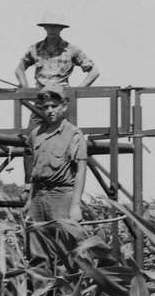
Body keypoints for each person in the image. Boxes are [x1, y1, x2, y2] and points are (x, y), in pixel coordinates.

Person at [25, 83, 87, 222]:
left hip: (61, 197)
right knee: (34, 234)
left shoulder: (73, 134)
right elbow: (35, 172)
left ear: (64, 107)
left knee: (61, 235)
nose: (50, 111)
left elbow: (80, 171)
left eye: (54, 106)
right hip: (38, 197)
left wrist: (75, 205)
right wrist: (29, 201)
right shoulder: (36, 134)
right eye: (46, 107)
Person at [14, 11, 99, 89]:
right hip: (40, 96)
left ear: (61, 28)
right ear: (45, 27)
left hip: (62, 97)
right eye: (49, 26)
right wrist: (25, 86)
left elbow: (94, 72)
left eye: (56, 27)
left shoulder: (72, 50)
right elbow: (19, 69)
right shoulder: (35, 49)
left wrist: (78, 90)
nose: (52, 29)